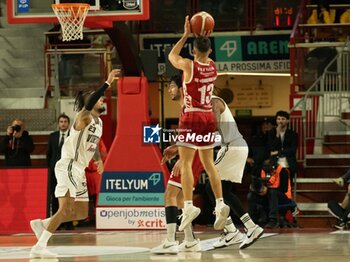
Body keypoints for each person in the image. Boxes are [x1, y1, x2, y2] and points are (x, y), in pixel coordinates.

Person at [29, 69, 120, 259]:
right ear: (90, 102)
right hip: (69, 165)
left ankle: (43, 224)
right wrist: (107, 83)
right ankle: (40, 245)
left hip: (79, 169)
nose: (102, 100)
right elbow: (89, 104)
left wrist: (98, 159)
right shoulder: (83, 117)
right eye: (100, 98)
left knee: (80, 212)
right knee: (66, 208)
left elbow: (92, 144)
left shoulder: (99, 123)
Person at [167, 16, 229, 233]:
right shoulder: (213, 67)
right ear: (210, 52)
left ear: (193, 52)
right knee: (209, 164)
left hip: (191, 117)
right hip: (207, 119)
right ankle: (220, 203)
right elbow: (203, 50)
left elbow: (172, 55)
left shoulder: (188, 66)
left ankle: (188, 205)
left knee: (185, 164)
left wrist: (185, 34)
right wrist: (203, 36)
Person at [151, 75, 204, 254]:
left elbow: (199, 133)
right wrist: (176, 147)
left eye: (172, 86)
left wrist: (183, 158)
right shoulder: (185, 109)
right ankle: (190, 240)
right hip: (195, 156)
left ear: (182, 88)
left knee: (169, 195)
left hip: (192, 156)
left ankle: (170, 240)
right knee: (181, 199)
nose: (169, 90)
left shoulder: (189, 108)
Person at [248, 158, 297, 228]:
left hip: (283, 198)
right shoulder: (263, 171)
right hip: (267, 195)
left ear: (273, 166)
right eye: (264, 167)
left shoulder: (282, 171)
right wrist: (257, 190)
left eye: (268, 167)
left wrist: (267, 189)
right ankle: (252, 221)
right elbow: (257, 185)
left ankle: (273, 220)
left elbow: (284, 189)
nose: (266, 170)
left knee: (273, 192)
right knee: (251, 195)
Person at [46, 114, 70, 217]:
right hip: (54, 171)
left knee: (69, 196)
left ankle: (68, 222)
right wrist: (50, 169)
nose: (63, 124)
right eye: (61, 122)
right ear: (58, 123)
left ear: (68, 123)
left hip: (68, 171)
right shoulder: (53, 136)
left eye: (65, 122)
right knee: (55, 196)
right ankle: (57, 222)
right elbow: (49, 154)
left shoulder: (73, 136)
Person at [268, 111, 298, 184]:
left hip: (289, 164)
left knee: (288, 186)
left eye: (283, 119)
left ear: (287, 120)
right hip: (275, 164)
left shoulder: (293, 134)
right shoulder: (271, 133)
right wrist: (277, 134)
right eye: (278, 119)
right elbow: (271, 148)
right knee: (275, 186)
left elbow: (292, 150)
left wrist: (278, 152)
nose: (280, 121)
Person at [84, 139, 108, 226]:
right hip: (85, 171)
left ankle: (96, 216)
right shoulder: (82, 139)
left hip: (96, 171)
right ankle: (85, 217)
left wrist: (96, 159)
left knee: (97, 195)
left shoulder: (99, 140)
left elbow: (104, 154)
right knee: (84, 195)